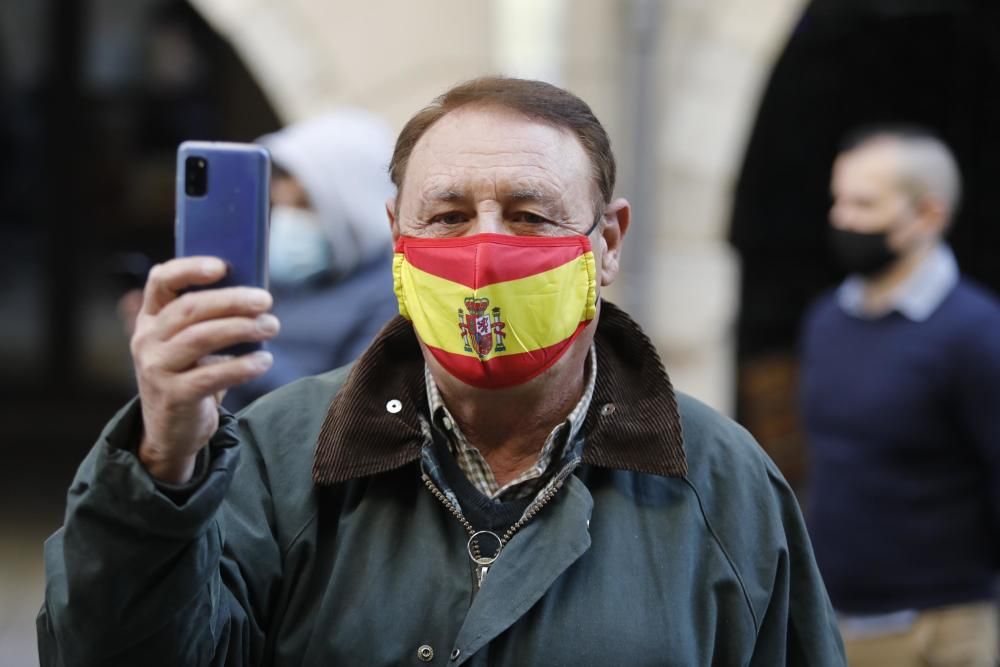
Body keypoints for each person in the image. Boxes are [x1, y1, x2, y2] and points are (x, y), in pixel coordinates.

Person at [38, 77, 845, 665]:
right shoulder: (277, 455)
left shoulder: (724, 485)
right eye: (449, 215)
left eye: (529, 216)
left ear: (607, 242)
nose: (483, 252)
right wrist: (162, 466)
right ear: (396, 234)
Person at [800, 126, 1000, 666]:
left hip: (943, 629)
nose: (842, 218)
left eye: (864, 203)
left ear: (928, 215)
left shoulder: (978, 333)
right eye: (838, 199)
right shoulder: (826, 322)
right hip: (838, 621)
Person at [222, 110, 399, 410]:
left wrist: (246, 347)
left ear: (353, 203)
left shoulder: (390, 295)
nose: (287, 222)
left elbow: (344, 415)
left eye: (304, 205)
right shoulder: (278, 277)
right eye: (280, 205)